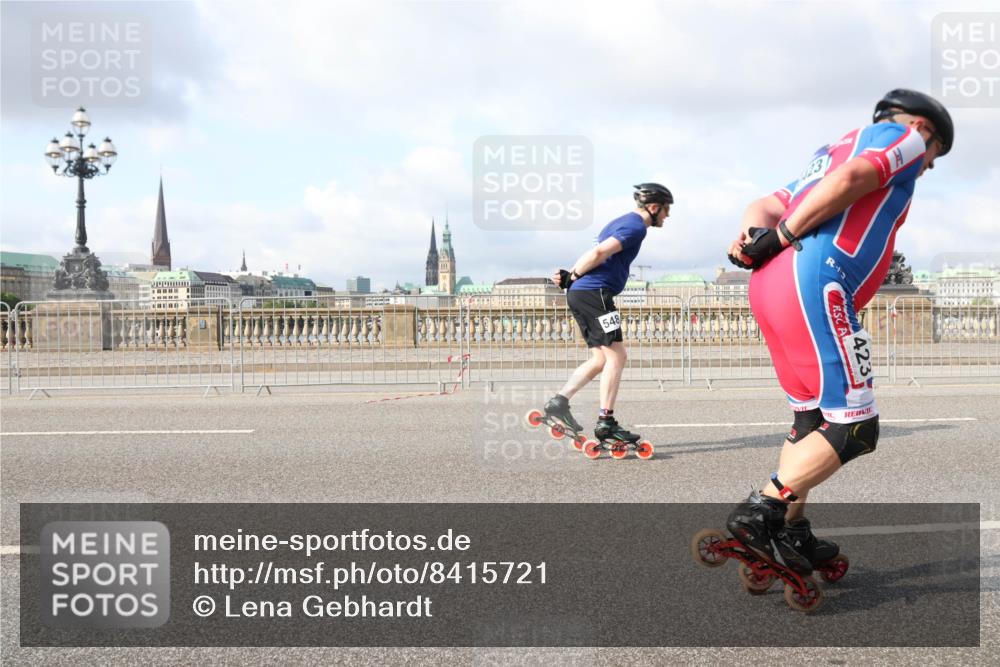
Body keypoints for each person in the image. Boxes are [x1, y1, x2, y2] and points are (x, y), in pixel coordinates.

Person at [724, 89, 953, 572]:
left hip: (770, 284)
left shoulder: (826, 154)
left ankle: (790, 531)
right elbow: (856, 178)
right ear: (924, 127)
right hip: (819, 280)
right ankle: (763, 510)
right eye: (935, 153)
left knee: (811, 422)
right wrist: (786, 235)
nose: (928, 166)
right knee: (855, 428)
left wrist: (753, 240)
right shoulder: (906, 139)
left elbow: (766, 203)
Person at [543, 183, 672, 447]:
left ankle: (559, 402)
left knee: (601, 358)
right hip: (595, 294)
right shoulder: (635, 227)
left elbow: (594, 251)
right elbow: (600, 253)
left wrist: (570, 276)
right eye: (666, 210)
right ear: (655, 207)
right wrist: (574, 275)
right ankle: (606, 422)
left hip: (583, 293)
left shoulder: (619, 221)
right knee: (617, 355)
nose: (667, 216)